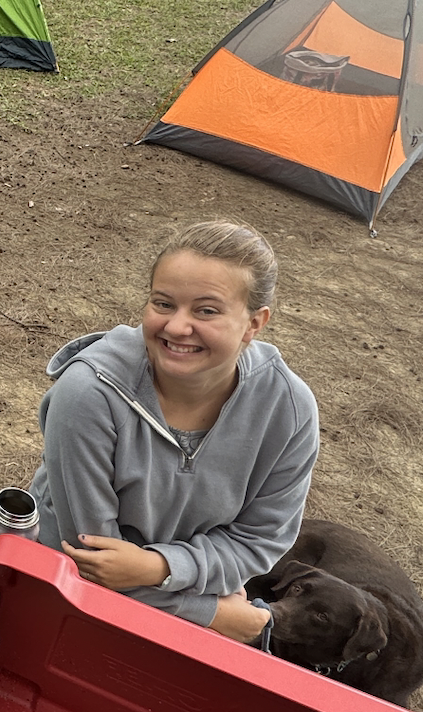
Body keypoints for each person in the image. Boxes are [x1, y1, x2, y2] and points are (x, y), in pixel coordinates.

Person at [28, 220, 319, 642]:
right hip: (63, 591)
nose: (177, 328)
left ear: (255, 323)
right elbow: (91, 560)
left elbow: (259, 539)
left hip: (174, 598)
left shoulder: (289, 410)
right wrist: (211, 613)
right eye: (163, 304)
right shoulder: (87, 395)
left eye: (206, 310)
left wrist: (162, 568)